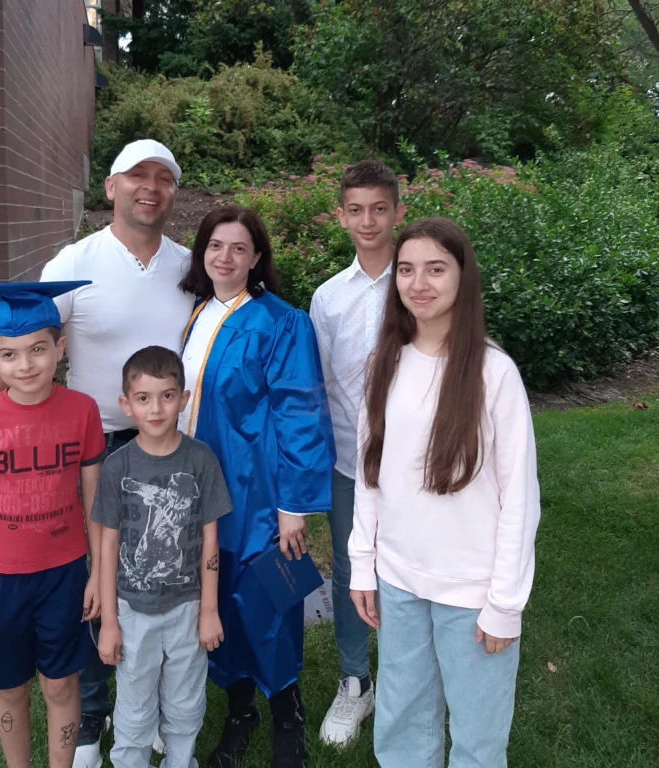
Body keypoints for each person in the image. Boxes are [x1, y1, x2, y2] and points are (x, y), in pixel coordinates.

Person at [0, 139, 195, 768]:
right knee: (91, 583)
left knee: (154, 581)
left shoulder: (191, 265)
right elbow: (25, 345)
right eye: (137, 176)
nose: (150, 188)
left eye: (163, 178)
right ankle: (85, 723)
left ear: (173, 192)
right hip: (93, 443)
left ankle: (151, 709)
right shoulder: (74, 261)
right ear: (111, 187)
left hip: (167, 443)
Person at [348, 217, 541, 768]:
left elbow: (519, 499)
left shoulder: (494, 374)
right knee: (403, 722)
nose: (419, 283)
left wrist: (504, 603)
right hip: (400, 581)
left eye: (436, 268)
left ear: (463, 276)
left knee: (477, 740)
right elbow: (370, 475)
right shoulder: (382, 365)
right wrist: (364, 564)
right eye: (406, 269)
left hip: (473, 592)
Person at [178, 205, 335, 768]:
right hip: (203, 485)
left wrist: (295, 505)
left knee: (272, 591)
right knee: (216, 593)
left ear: (257, 258)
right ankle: (239, 708)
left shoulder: (281, 322)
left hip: (261, 487)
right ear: (203, 252)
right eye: (216, 245)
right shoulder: (196, 316)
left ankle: (287, 712)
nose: (225, 257)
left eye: (239, 248)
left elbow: (300, 412)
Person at [0, 281, 107, 768]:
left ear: (60, 349)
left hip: (63, 573)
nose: (26, 365)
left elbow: (96, 499)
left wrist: (98, 572)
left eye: (38, 350)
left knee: (61, 682)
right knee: (9, 686)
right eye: (10, 355)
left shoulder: (82, 412)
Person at [93, 346, 232, 768]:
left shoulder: (200, 461)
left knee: (185, 701)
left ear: (184, 399)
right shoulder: (118, 467)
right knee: (134, 704)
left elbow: (211, 542)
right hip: (133, 609)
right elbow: (108, 545)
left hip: (187, 606)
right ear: (126, 405)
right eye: (143, 398)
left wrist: (209, 611)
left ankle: (180, 760)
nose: (156, 408)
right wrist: (110, 624)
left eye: (167, 396)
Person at [309, 159, 404, 746]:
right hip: (349, 463)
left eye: (379, 208)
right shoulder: (328, 298)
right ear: (341, 216)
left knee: (411, 573)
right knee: (351, 569)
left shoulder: (420, 281)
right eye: (355, 209)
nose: (367, 221)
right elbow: (317, 383)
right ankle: (355, 680)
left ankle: (406, 676)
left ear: (398, 210)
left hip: (418, 467)